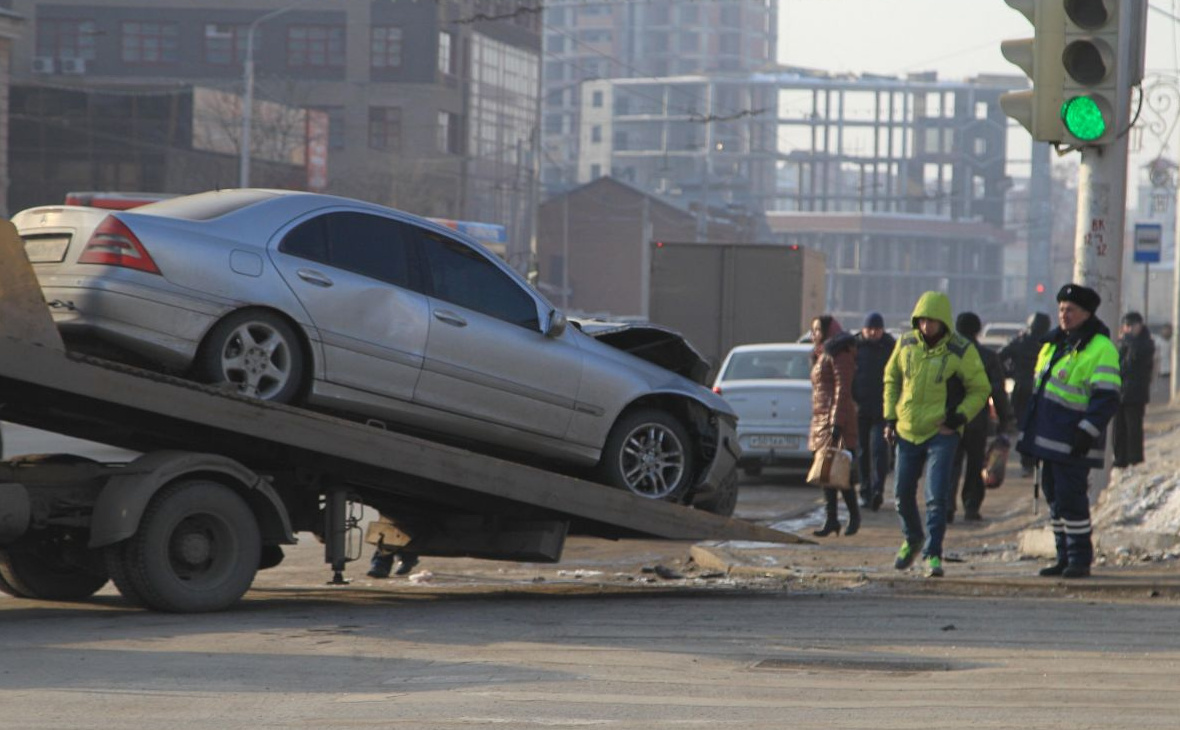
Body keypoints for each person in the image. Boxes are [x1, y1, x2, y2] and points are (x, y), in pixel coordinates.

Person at [1017, 284, 1120, 579]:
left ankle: (1079, 559)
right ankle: (1063, 557)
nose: (1064, 314)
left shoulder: (1101, 349)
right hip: (1048, 440)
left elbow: (1107, 397)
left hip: (1074, 442)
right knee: (1055, 499)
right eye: (1061, 309)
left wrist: (1086, 432)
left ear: (1087, 314)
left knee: (1071, 501)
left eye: (1070, 310)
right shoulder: (1053, 344)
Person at [883, 292, 990, 577]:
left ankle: (933, 553)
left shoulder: (960, 349)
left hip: (941, 432)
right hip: (907, 430)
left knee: (936, 496)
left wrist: (959, 417)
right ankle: (912, 538)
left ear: (943, 322)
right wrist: (890, 418)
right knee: (901, 493)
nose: (926, 326)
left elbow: (980, 389)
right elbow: (892, 378)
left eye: (932, 321)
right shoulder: (905, 343)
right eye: (922, 320)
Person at [949, 312, 1012, 523]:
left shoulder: (947, 355)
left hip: (950, 420)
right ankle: (971, 506)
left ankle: (946, 506)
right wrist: (1005, 420)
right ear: (977, 330)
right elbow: (998, 391)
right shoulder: (987, 356)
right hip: (977, 420)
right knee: (975, 464)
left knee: (950, 463)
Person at [808, 314, 861, 537]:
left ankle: (854, 515)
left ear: (828, 331)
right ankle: (831, 520)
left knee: (841, 471)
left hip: (836, 419)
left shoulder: (840, 351)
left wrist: (836, 423)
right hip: (822, 418)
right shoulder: (824, 353)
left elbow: (842, 388)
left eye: (817, 330)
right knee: (826, 471)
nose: (814, 335)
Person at [852, 311, 896, 512]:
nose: (873, 333)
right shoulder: (854, 347)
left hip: (883, 408)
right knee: (862, 452)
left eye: (877, 329)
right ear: (863, 329)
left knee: (879, 449)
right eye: (869, 329)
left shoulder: (890, 346)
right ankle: (865, 491)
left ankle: (878, 490)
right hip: (860, 407)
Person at [999, 312, 1052, 478]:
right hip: (1043, 389)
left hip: (1022, 387)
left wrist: (1010, 372)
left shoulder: (1020, 341)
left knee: (1024, 425)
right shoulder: (1050, 343)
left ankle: (1027, 462)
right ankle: (1036, 459)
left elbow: (999, 357)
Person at [1113, 311, 1154, 469]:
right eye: (1126, 326)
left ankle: (1135, 458)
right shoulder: (1123, 343)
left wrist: (1129, 342)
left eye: (1131, 326)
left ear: (1139, 326)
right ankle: (1120, 458)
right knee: (1119, 428)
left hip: (1135, 393)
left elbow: (1131, 363)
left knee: (1133, 427)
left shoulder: (1145, 342)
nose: (1128, 329)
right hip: (1121, 392)